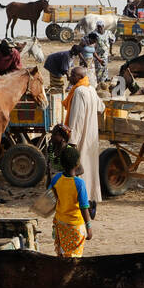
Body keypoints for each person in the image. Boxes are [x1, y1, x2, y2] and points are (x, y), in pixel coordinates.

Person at [61, 66, 104, 208]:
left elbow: (77, 118)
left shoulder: (79, 91)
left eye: (72, 74)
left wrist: (72, 141)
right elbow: (101, 107)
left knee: (80, 167)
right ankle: (91, 197)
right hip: (91, 134)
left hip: (81, 137)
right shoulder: (91, 89)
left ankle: (83, 199)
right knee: (90, 167)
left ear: (79, 77)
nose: (70, 76)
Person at [46, 144, 93, 258]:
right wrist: (89, 227)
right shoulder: (79, 183)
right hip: (75, 226)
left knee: (62, 256)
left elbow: (50, 195)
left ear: (61, 164)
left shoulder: (56, 179)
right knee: (73, 259)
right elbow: (83, 208)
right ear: (77, 164)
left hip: (60, 223)